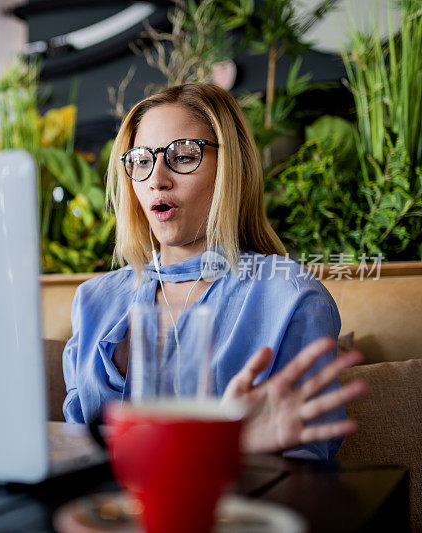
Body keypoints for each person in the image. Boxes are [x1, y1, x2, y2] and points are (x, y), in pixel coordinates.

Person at [61, 83, 367, 460]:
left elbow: (307, 472)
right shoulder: (93, 300)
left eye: (184, 155)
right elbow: (74, 451)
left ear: (230, 167)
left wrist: (236, 446)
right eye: (142, 159)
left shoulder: (289, 296)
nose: (157, 178)